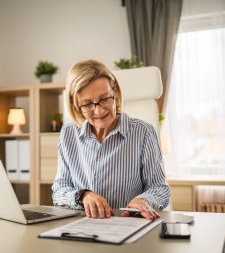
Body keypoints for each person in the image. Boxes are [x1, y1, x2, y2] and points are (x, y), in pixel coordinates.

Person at [52, 59, 170, 220]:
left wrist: (143, 200)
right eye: (87, 104)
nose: (99, 111)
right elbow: (59, 189)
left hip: (129, 225)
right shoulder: (68, 134)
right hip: (82, 229)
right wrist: (83, 195)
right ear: (76, 106)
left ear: (115, 92)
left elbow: (160, 188)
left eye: (105, 98)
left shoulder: (144, 132)